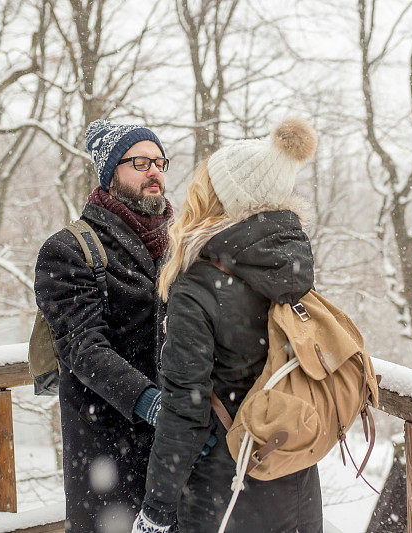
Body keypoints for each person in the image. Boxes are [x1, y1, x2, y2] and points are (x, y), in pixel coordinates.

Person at [132, 118, 324, 532]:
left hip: (224, 488)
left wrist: (157, 508)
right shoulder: (288, 267)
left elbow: (186, 408)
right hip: (293, 473)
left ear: (224, 197)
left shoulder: (199, 284)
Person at [35, 119, 173, 532]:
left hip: (176, 458)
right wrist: (148, 401)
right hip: (107, 454)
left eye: (160, 162)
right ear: (111, 174)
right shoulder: (70, 249)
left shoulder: (182, 247)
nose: (155, 171)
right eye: (140, 162)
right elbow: (82, 347)